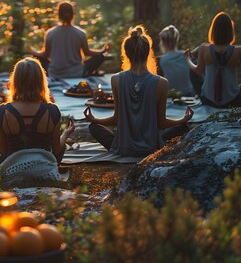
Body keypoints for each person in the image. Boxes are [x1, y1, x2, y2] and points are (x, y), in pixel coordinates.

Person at [85, 26, 193, 157]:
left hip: (123, 148)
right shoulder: (162, 83)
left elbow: (116, 119)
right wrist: (182, 119)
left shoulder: (116, 79)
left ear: (126, 53)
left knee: (93, 127)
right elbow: (162, 123)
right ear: (148, 53)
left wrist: (95, 119)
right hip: (151, 149)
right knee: (184, 127)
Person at [0, 57, 75, 163]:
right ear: (41, 81)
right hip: (45, 170)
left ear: (15, 81)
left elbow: (3, 151)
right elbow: (57, 150)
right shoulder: (52, 110)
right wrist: (66, 134)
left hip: (13, 171)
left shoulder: (3, 110)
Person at [29, 1, 107, 78]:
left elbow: (45, 54)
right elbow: (87, 52)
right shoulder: (80, 33)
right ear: (73, 14)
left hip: (55, 73)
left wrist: (34, 52)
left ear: (58, 15)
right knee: (100, 56)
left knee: (35, 57)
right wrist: (102, 51)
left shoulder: (50, 33)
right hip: (77, 73)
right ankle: (89, 73)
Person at [185, 12, 241, 108]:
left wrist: (188, 60)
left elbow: (197, 71)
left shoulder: (204, 48)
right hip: (233, 100)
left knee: (193, 67)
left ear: (214, 30)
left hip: (208, 100)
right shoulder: (237, 50)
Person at [158, 25, 196, 95]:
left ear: (163, 43)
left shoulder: (163, 60)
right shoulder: (185, 55)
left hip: (172, 95)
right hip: (189, 93)